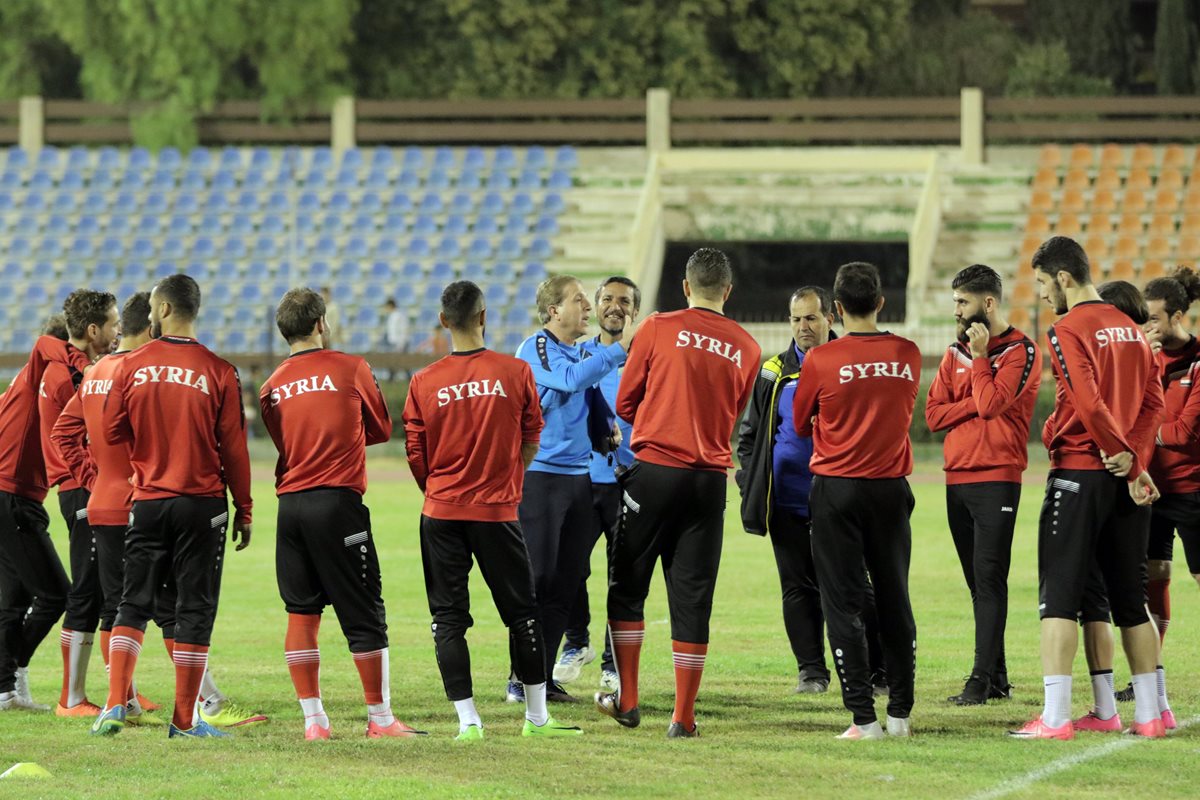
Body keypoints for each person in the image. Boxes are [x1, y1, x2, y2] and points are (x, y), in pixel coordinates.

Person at [53, 293, 261, 731]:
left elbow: (103, 429)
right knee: (188, 608)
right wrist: (243, 506)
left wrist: (116, 468)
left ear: (161, 311)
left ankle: (115, 702)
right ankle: (191, 715)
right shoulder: (218, 369)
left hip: (133, 500)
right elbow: (234, 448)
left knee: (126, 603)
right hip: (196, 498)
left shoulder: (114, 368)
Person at [403, 280, 583, 739]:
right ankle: (536, 719)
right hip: (498, 513)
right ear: (485, 317)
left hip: (441, 513)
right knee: (523, 613)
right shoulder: (514, 371)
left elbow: (416, 453)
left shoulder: (424, 381)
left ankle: (469, 723)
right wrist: (508, 482)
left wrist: (440, 490)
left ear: (443, 322)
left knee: (448, 619)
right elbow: (531, 437)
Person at [599, 248, 761, 738]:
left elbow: (625, 400)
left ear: (686, 286)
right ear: (727, 292)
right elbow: (734, 411)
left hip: (655, 470)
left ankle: (628, 699)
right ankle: (683, 717)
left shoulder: (657, 326)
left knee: (628, 585)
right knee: (692, 597)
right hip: (708, 480)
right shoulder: (749, 347)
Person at [1011, 236, 1165, 740]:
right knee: (1130, 600)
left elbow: (1087, 399)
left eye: (1040, 283)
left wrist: (1117, 449)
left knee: (1058, 597)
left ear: (1062, 277)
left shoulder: (1067, 327)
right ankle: (1148, 716)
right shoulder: (1131, 327)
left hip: (1081, 474)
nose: (1039, 295)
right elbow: (1153, 403)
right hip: (1127, 482)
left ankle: (1055, 717)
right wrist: (1136, 462)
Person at [260, 287, 423, 741]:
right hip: (337, 504)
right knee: (364, 610)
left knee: (301, 612)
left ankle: (315, 723)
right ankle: (381, 719)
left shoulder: (271, 385)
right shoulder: (351, 367)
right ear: (320, 324)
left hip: (290, 506)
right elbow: (381, 428)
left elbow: (284, 442)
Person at [792, 261, 922, 740]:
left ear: (837, 308)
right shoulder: (907, 353)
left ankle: (864, 719)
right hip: (890, 489)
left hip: (837, 490)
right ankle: (901, 716)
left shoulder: (821, 361)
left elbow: (802, 423)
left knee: (842, 603)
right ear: (881, 302)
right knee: (894, 598)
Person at [509, 275, 632, 703]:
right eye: (578, 300)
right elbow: (569, 380)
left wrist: (604, 426)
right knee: (537, 579)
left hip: (578, 478)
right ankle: (517, 679)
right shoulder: (536, 347)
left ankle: (539, 680)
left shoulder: (578, 350)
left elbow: (589, 392)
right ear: (553, 312)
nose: (587, 306)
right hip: (541, 478)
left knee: (567, 581)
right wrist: (621, 349)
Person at [925, 265, 1041, 705]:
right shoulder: (954, 351)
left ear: (988, 304)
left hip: (997, 479)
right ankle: (998, 678)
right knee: (978, 583)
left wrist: (977, 364)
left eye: (963, 303)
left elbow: (991, 405)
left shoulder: (1020, 351)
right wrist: (972, 400)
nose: (956, 311)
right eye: (955, 302)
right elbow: (933, 415)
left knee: (990, 580)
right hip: (956, 480)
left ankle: (978, 681)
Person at [737, 285, 841, 695]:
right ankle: (811, 672)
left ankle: (872, 670)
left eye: (812, 318)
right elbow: (750, 433)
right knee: (797, 588)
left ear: (830, 318)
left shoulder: (845, 362)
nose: (803, 327)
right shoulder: (773, 371)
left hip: (838, 500)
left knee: (848, 588)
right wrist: (752, 480)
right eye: (797, 319)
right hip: (786, 500)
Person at [0, 310, 95, 711]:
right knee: (58, 595)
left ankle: (6, 688)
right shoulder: (42, 371)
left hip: (15, 496)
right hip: (13, 498)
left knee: (14, 599)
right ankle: (11, 673)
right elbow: (43, 344)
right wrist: (83, 361)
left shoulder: (23, 385)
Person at [39, 290, 121, 717]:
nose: (117, 331)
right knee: (87, 590)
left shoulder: (67, 369)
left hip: (81, 487)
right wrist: (96, 481)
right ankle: (71, 698)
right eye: (111, 323)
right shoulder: (71, 376)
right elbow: (70, 438)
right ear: (93, 330)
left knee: (111, 591)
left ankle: (119, 692)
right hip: (81, 488)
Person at [557, 276, 639, 692]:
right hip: (582, 477)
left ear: (634, 311)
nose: (614, 306)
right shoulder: (578, 355)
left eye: (624, 301)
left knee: (621, 576)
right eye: (607, 299)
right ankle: (577, 643)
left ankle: (612, 662)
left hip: (628, 480)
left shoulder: (645, 357)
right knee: (567, 567)